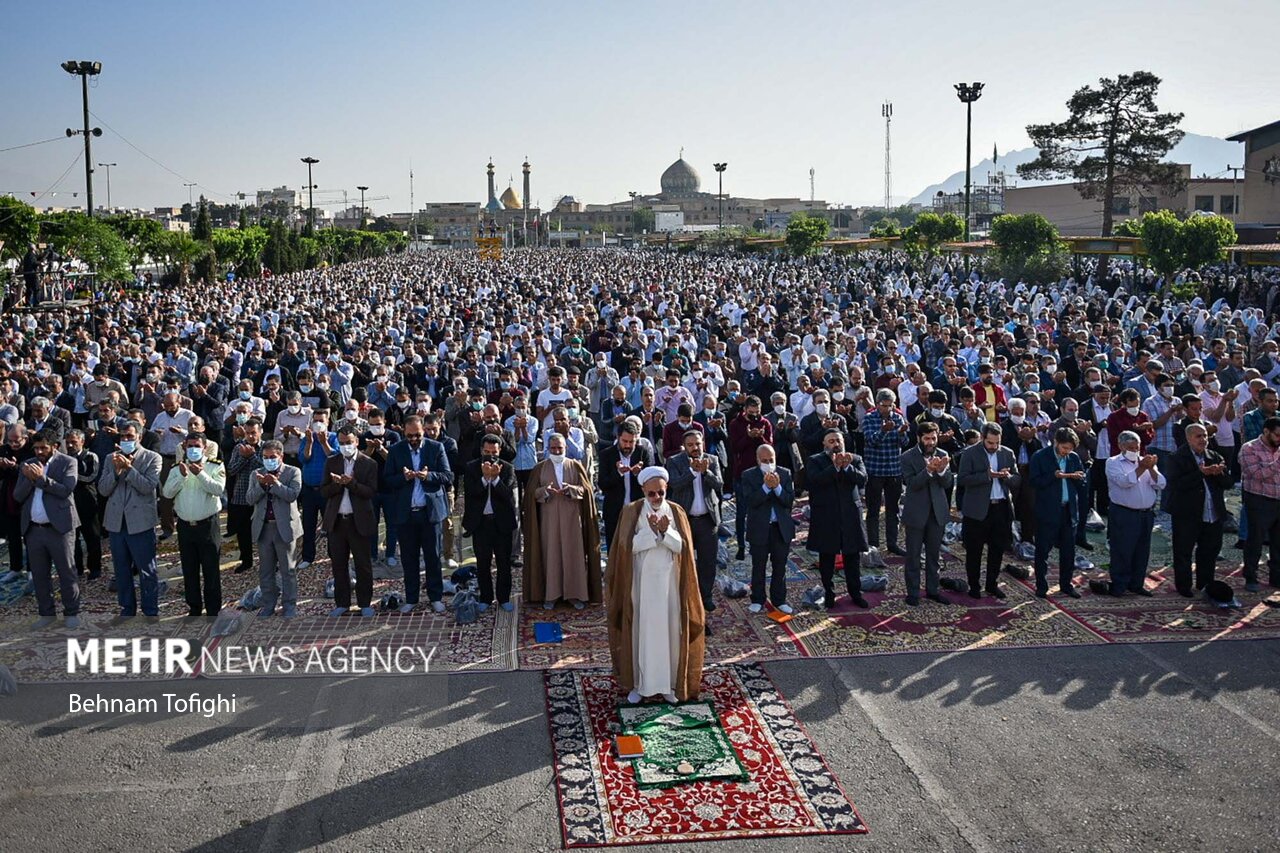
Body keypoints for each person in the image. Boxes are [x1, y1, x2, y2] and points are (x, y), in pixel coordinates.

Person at [605, 466, 705, 704]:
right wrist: (651, 533)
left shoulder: (676, 511)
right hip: (641, 585)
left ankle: (669, 684)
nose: (657, 497)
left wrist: (665, 531)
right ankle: (640, 685)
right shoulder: (631, 511)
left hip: (670, 585)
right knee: (642, 633)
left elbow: (682, 547)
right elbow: (626, 547)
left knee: (670, 633)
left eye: (661, 492)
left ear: (666, 488)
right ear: (643, 490)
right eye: (652, 493)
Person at [522, 432, 602, 609]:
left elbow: (586, 490)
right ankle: (551, 595)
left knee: (573, 554)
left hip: (572, 519)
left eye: (559, 448)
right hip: (548, 520)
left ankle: (574, 594)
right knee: (550, 555)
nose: (557, 451)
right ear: (548, 449)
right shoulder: (540, 468)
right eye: (553, 448)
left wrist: (571, 490)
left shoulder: (575, 465)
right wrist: (545, 491)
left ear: (565, 447)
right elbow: (531, 494)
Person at [384, 415, 452, 613]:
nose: (413, 439)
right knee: (409, 558)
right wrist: (403, 477)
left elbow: (448, 476)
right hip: (406, 513)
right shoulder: (396, 450)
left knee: (433, 557)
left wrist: (427, 476)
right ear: (404, 433)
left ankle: (435, 597)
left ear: (424, 431)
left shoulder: (436, 448)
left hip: (429, 513)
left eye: (417, 435)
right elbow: (387, 479)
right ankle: (412, 598)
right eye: (409, 435)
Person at [14, 430, 80, 630]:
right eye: (36, 448)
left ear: (55, 446)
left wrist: (41, 478)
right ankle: (46, 614)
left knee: (66, 572)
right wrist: (29, 478)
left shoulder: (68, 462)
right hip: (34, 529)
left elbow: (65, 490)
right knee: (39, 574)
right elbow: (18, 496)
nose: (39, 452)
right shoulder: (27, 464)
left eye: (43, 448)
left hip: (59, 528)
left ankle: (71, 612)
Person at [98, 422, 163, 625]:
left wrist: (129, 469)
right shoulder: (110, 458)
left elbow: (148, 487)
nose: (126, 440)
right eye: (123, 436)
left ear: (139, 437)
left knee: (146, 568)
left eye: (130, 436)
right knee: (121, 568)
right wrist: (116, 472)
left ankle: (150, 610)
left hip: (140, 522)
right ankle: (127, 608)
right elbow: (103, 489)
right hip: (117, 522)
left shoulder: (152, 458)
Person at [161, 433, 227, 621]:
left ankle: (213, 610)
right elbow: (167, 493)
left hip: (207, 525)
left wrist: (200, 474)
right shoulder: (177, 468)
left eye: (197, 445)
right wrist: (182, 477)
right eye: (189, 446)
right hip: (185, 526)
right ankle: (194, 608)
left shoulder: (215, 465)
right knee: (189, 570)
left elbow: (218, 489)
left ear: (204, 447)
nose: (193, 449)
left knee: (210, 569)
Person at [805, 429, 870, 609]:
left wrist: (847, 467)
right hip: (827, 515)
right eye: (831, 441)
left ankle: (855, 593)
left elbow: (863, 479)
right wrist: (833, 467)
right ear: (824, 444)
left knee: (852, 557)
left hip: (850, 515)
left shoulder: (855, 459)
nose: (836, 444)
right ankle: (829, 593)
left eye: (838, 440)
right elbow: (814, 481)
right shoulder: (815, 461)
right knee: (827, 557)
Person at [1167, 423, 1232, 598]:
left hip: (1212, 514)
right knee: (1183, 552)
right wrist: (1201, 473)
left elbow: (1228, 483)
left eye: (1205, 436)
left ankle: (1205, 584)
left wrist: (1218, 473)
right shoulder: (1176, 458)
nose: (1203, 440)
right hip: (1187, 514)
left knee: (1209, 551)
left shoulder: (1214, 456)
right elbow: (1176, 485)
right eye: (1199, 436)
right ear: (1188, 438)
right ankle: (1184, 586)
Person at [956, 423, 1020, 600]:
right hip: (977, 511)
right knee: (974, 551)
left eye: (997, 442)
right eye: (990, 443)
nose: (994, 446)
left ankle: (992, 584)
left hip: (1000, 508)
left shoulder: (1007, 453)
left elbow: (1017, 480)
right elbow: (962, 479)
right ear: (983, 438)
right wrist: (987, 476)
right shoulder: (970, 453)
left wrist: (1007, 477)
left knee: (997, 549)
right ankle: (974, 586)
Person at [664, 428, 723, 614]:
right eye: (690, 445)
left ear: (703, 443)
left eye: (698, 444)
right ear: (684, 447)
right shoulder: (674, 461)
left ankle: (706, 597)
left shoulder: (712, 460)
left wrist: (706, 473)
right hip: (685, 521)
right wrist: (692, 471)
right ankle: (684, 596)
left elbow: (719, 485)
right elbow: (674, 484)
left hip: (707, 520)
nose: (695, 448)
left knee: (708, 562)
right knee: (683, 560)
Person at [321, 426, 378, 617]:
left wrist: (351, 483)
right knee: (339, 564)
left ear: (356, 442)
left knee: (363, 564)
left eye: (349, 442)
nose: (345, 446)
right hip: (337, 521)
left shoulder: (368, 463)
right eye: (342, 443)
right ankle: (342, 603)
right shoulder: (332, 462)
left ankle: (365, 603)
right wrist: (337, 484)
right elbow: (324, 491)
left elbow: (370, 491)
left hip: (358, 521)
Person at [462, 433, 518, 611]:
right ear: (481, 450)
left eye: (494, 452)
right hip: (481, 524)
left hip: (501, 524)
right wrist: (485, 478)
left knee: (504, 563)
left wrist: (495, 479)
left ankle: (504, 598)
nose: (490, 456)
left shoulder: (507, 468)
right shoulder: (471, 467)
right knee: (483, 563)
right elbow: (471, 492)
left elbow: (508, 495)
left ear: (499, 451)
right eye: (487, 452)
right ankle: (486, 598)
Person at [1028, 428, 1087, 599]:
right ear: (1056, 442)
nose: (1066, 452)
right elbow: (1034, 482)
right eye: (1064, 448)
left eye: (1070, 449)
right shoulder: (1040, 456)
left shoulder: (1073, 458)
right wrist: (1053, 476)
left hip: (1068, 510)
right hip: (1047, 511)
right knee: (1042, 551)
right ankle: (1041, 585)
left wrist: (1079, 478)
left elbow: (1082, 482)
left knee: (1068, 552)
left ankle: (1066, 584)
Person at [1105, 430, 1165, 598]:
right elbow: (1124, 482)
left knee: (1142, 550)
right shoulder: (1113, 462)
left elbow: (1161, 483)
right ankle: (1119, 584)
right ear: (1121, 446)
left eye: (1137, 447)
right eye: (1130, 447)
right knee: (1122, 549)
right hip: (1124, 513)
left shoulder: (1145, 461)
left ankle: (1136, 584)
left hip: (1146, 514)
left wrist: (1151, 469)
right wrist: (1141, 468)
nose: (1134, 450)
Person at [247, 440, 303, 619]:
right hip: (264, 527)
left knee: (288, 570)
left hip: (284, 528)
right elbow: (249, 499)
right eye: (265, 457)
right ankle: (268, 604)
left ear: (281, 456)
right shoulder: (256, 474)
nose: (269, 460)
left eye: (272, 457)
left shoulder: (293, 472)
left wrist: (276, 484)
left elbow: (292, 495)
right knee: (266, 570)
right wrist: (262, 485)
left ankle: (289, 606)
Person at [899, 422, 953, 606]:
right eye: (927, 438)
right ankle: (913, 592)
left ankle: (933, 590)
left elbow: (947, 484)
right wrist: (928, 471)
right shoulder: (907, 457)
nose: (930, 442)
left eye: (933, 438)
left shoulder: (943, 455)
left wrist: (942, 470)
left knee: (934, 555)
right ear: (919, 438)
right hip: (916, 513)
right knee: (913, 555)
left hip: (937, 513)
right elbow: (911, 484)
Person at [740, 443, 795, 613]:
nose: (768, 463)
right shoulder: (749, 475)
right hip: (759, 528)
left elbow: (789, 501)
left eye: (771, 460)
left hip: (780, 528)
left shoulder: (785, 473)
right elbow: (750, 501)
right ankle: (758, 599)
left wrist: (777, 487)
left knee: (780, 565)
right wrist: (765, 488)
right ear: (758, 460)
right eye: (764, 461)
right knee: (759, 565)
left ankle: (779, 599)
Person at [860, 389, 909, 555]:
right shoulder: (869, 418)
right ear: (877, 404)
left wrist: (901, 433)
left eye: (890, 406)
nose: (887, 409)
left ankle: (892, 543)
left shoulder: (898, 418)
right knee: (873, 510)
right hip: (875, 470)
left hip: (894, 470)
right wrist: (883, 431)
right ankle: (873, 544)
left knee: (893, 510)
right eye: (884, 405)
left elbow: (904, 443)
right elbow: (870, 441)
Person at [598, 421, 654, 550]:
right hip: (614, 512)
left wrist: (640, 474)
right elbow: (603, 484)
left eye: (631, 442)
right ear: (618, 438)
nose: (628, 445)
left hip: (638, 511)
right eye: (625, 441)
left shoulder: (643, 453)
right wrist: (618, 473)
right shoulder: (606, 454)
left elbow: (651, 483)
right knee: (615, 550)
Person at [1239, 416, 1280, 592]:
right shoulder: (1249, 449)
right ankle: (1251, 576)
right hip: (1260, 500)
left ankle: (1276, 577)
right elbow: (1257, 474)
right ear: (1266, 432)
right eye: (1277, 435)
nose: (1279, 439)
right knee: (1255, 540)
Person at [297, 408, 338, 570]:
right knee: (308, 524)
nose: (318, 423)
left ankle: (334, 555)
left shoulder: (333, 437)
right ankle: (307, 556)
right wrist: (309, 442)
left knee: (331, 525)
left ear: (328, 422)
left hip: (327, 489)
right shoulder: (307, 438)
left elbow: (335, 457)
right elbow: (303, 458)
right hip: (309, 489)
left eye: (321, 421)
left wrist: (323, 442)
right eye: (316, 421)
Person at [64, 429, 101, 579]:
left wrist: (71, 476)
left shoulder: (90, 456)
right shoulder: (64, 458)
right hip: (70, 504)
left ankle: (95, 568)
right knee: (73, 539)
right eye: (68, 442)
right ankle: (77, 568)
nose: (70, 445)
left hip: (88, 502)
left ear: (82, 441)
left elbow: (91, 476)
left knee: (92, 537)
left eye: (73, 442)